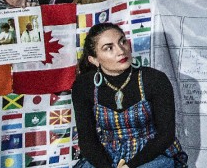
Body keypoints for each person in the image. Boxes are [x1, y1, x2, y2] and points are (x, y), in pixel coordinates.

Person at [73, 22, 187, 168]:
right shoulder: (84, 86)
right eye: (109, 48)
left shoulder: (154, 79)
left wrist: (130, 166)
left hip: (151, 155)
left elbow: (166, 135)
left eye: (122, 41)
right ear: (94, 59)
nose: (121, 50)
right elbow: (87, 140)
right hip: (106, 156)